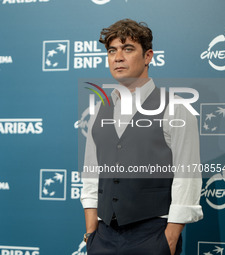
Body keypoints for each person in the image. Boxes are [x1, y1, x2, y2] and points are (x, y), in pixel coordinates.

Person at [80, 19, 203, 255]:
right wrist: (91, 233)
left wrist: (170, 238)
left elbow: (187, 177)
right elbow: (91, 174)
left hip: (152, 236)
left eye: (128, 49)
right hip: (102, 237)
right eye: (112, 51)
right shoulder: (98, 111)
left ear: (148, 56)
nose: (118, 57)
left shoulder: (175, 109)